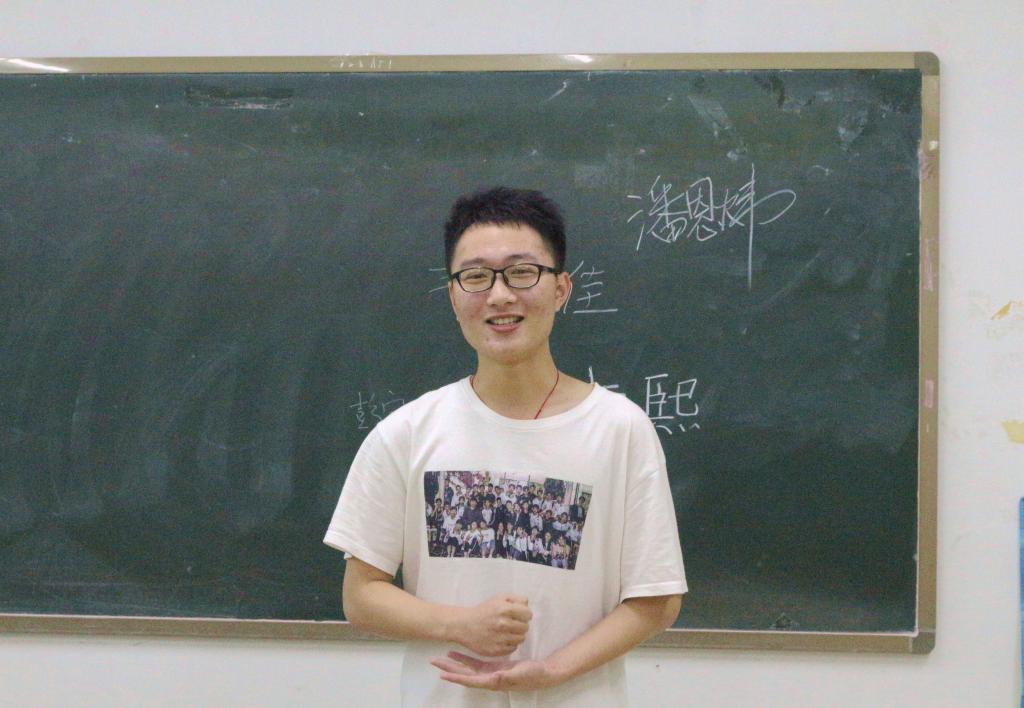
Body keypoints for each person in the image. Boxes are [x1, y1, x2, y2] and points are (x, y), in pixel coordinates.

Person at [324, 186, 686, 707]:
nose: (499, 295)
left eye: (522, 272)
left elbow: (656, 599)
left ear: (561, 288)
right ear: (453, 295)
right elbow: (361, 596)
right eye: (475, 277)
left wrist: (551, 671)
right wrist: (461, 625)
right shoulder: (407, 433)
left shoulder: (619, 429)